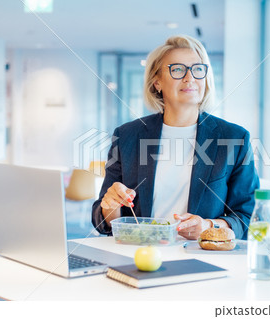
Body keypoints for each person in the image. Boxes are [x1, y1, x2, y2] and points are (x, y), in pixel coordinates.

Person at [92, 35, 259, 240]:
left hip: (202, 258)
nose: (190, 78)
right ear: (157, 82)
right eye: (178, 69)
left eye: (198, 69)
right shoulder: (127, 136)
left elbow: (248, 216)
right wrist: (111, 206)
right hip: (138, 254)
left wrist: (208, 226)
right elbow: (102, 221)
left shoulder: (234, 138)